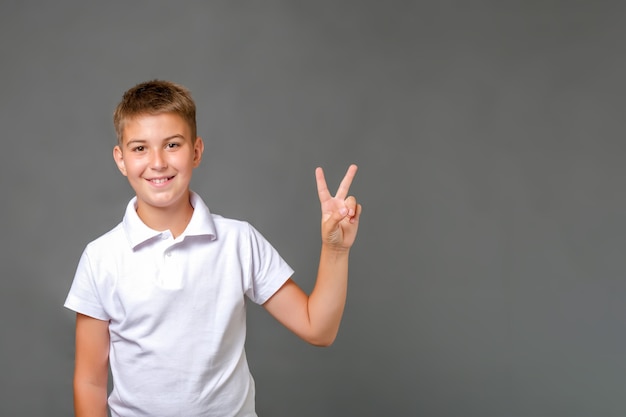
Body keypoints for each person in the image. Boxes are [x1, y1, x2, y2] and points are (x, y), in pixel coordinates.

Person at [64, 79, 362, 417]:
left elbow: (318, 328)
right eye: (140, 148)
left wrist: (335, 250)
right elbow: (89, 381)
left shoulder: (239, 241)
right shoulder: (101, 258)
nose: (158, 162)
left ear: (196, 151)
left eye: (172, 144)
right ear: (121, 159)